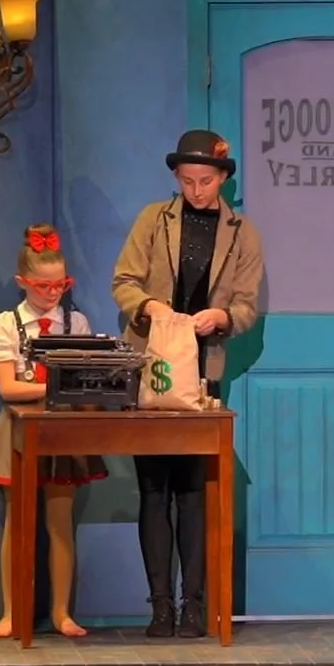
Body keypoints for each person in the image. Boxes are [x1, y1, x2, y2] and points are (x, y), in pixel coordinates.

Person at [111, 129, 265, 638]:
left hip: (202, 370)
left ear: (223, 179)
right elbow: (124, 281)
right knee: (154, 489)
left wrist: (221, 316)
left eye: (206, 181)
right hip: (152, 368)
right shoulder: (154, 220)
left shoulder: (242, 234)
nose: (196, 190)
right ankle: (161, 606)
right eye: (187, 181)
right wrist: (149, 308)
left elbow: (248, 305)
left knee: (194, 490)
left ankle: (193, 604)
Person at [0, 224, 106, 639]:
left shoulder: (75, 322)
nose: (53, 294)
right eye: (43, 286)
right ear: (22, 282)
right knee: (17, 520)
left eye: (61, 285)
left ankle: (61, 612)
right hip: (20, 427)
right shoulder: (8, 323)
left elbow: (85, 382)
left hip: (63, 429)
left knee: (60, 519)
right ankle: (12, 612)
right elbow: (8, 387)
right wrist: (55, 387)